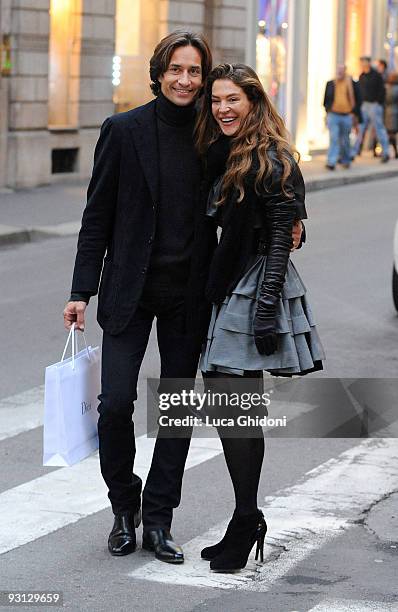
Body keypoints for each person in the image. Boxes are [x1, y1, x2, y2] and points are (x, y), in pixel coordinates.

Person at [63, 30, 215, 564]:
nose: (185, 79)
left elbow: (259, 185)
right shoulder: (123, 130)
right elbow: (96, 216)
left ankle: (159, 518)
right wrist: (82, 289)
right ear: (159, 72)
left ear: (205, 77)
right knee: (116, 405)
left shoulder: (213, 135)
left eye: (195, 71)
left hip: (189, 295)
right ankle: (123, 507)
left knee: (175, 410)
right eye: (176, 69)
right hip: (129, 289)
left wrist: (293, 222)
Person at [193, 63, 324, 572]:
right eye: (217, 100)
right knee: (232, 408)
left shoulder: (270, 155)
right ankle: (244, 517)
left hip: (255, 288)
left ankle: (246, 519)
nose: (223, 109)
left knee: (233, 405)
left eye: (233, 100)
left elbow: (279, 237)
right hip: (235, 285)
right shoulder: (226, 151)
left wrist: (266, 309)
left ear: (254, 102)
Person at [323, 64, 362, 170]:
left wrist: (354, 114)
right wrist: (327, 112)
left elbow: (358, 99)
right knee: (334, 138)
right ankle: (331, 161)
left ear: (345, 71)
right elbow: (325, 100)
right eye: (338, 70)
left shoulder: (352, 84)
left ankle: (345, 160)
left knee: (345, 139)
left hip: (346, 115)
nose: (339, 72)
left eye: (342, 70)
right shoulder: (330, 83)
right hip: (333, 114)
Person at [353, 56, 390, 163]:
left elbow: (382, 90)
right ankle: (354, 152)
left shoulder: (377, 75)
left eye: (364, 63)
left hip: (374, 105)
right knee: (360, 129)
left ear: (368, 63)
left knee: (379, 129)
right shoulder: (362, 76)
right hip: (364, 105)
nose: (363, 65)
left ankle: (385, 152)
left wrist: (378, 102)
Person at [384, 72, 398, 159]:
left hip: (387, 112)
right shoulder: (395, 89)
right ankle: (394, 152)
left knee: (389, 133)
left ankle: (385, 151)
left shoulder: (386, 88)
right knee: (392, 133)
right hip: (394, 111)